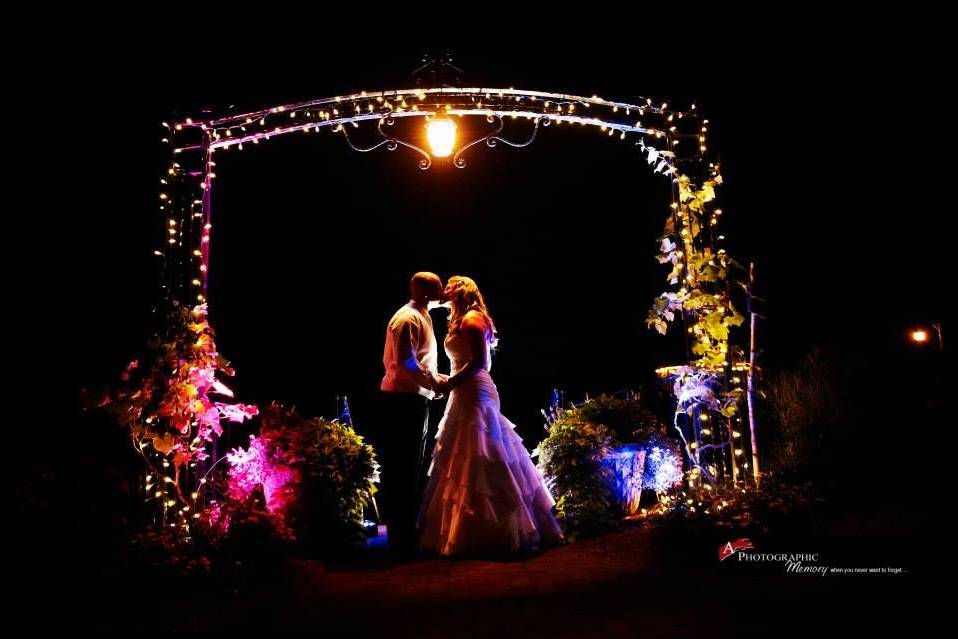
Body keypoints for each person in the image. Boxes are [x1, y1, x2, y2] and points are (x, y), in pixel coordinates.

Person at [417, 276, 563, 557]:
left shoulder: (472, 320)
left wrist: (450, 383)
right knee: (464, 455)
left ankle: (497, 527)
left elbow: (480, 363)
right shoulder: (461, 317)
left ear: (459, 291)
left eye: (448, 286)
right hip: (463, 390)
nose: (443, 291)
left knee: (482, 453)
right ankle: (471, 526)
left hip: (474, 390)